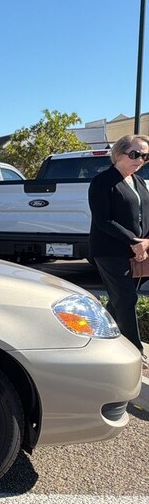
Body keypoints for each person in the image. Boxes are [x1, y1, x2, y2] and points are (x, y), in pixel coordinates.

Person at [88, 133, 149, 358]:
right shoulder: (102, 182)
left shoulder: (138, 181)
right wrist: (134, 242)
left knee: (119, 299)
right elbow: (103, 220)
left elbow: (145, 215)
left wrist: (146, 242)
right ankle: (135, 351)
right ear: (118, 153)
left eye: (145, 156)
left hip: (136, 250)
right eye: (134, 154)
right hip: (109, 251)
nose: (140, 160)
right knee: (126, 298)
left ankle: (98, 334)